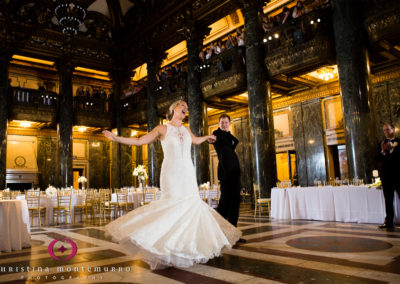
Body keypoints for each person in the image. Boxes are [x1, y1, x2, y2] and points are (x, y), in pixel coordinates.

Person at [102, 100, 242, 269]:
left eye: (187, 107)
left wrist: (207, 137)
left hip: (188, 172)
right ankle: (162, 244)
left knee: (191, 206)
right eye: (182, 105)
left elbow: (196, 141)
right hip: (171, 173)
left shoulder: (186, 128)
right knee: (173, 206)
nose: (186, 108)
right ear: (174, 108)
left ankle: (187, 248)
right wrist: (116, 138)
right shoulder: (162, 128)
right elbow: (140, 141)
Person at [212, 114, 243, 235]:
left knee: (235, 203)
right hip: (225, 173)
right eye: (222, 122)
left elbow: (235, 141)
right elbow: (215, 138)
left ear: (229, 123)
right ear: (219, 124)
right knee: (224, 202)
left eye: (226, 122)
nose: (224, 124)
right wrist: (211, 138)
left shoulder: (229, 137)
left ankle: (233, 233)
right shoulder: (217, 134)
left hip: (235, 173)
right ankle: (219, 232)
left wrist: (228, 135)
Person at [377, 123, 400, 230]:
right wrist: (383, 151)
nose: (386, 132)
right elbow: (377, 159)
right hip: (386, 177)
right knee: (388, 200)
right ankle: (389, 222)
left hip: (398, 175)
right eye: (384, 130)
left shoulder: (399, 142)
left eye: (387, 129)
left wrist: (391, 150)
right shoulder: (381, 143)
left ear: (393, 129)